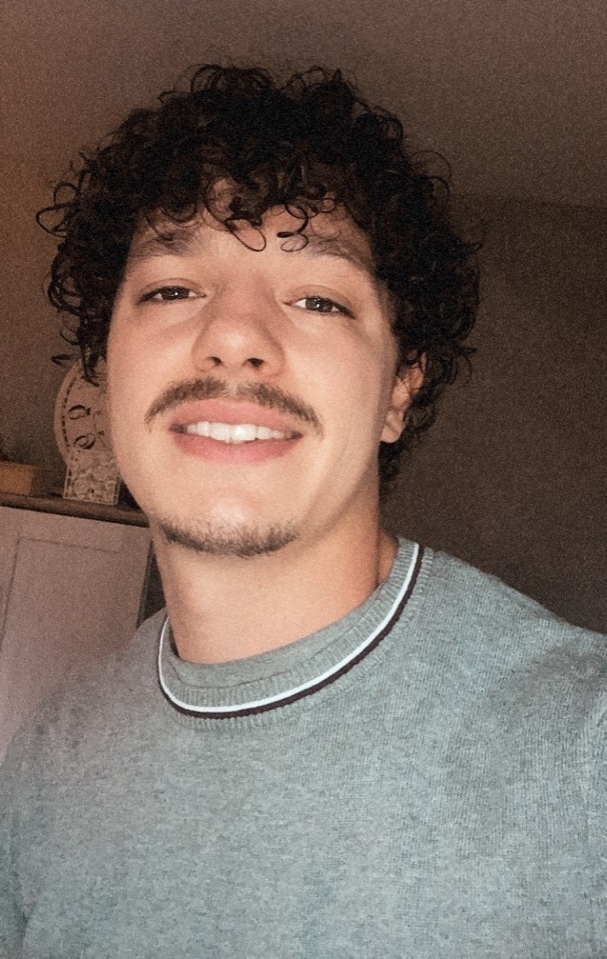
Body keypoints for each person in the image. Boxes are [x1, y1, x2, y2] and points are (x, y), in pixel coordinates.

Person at [1, 65, 605, 957]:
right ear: (107, 363)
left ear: (399, 388)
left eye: (319, 298)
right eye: (172, 289)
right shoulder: (50, 759)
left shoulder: (583, 750)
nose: (234, 336)